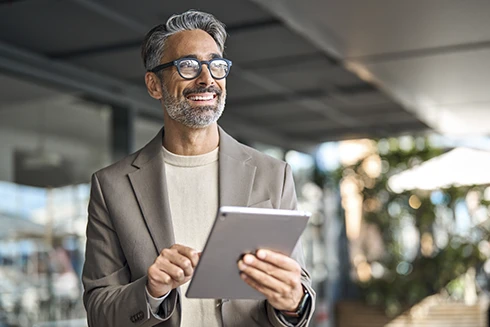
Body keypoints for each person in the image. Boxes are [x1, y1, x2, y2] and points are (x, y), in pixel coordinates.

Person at [82, 9, 315, 327]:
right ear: (154, 84)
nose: (207, 79)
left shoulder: (273, 174)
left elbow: (296, 289)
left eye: (216, 65)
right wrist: (151, 291)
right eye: (188, 66)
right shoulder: (112, 186)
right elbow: (99, 310)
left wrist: (293, 302)